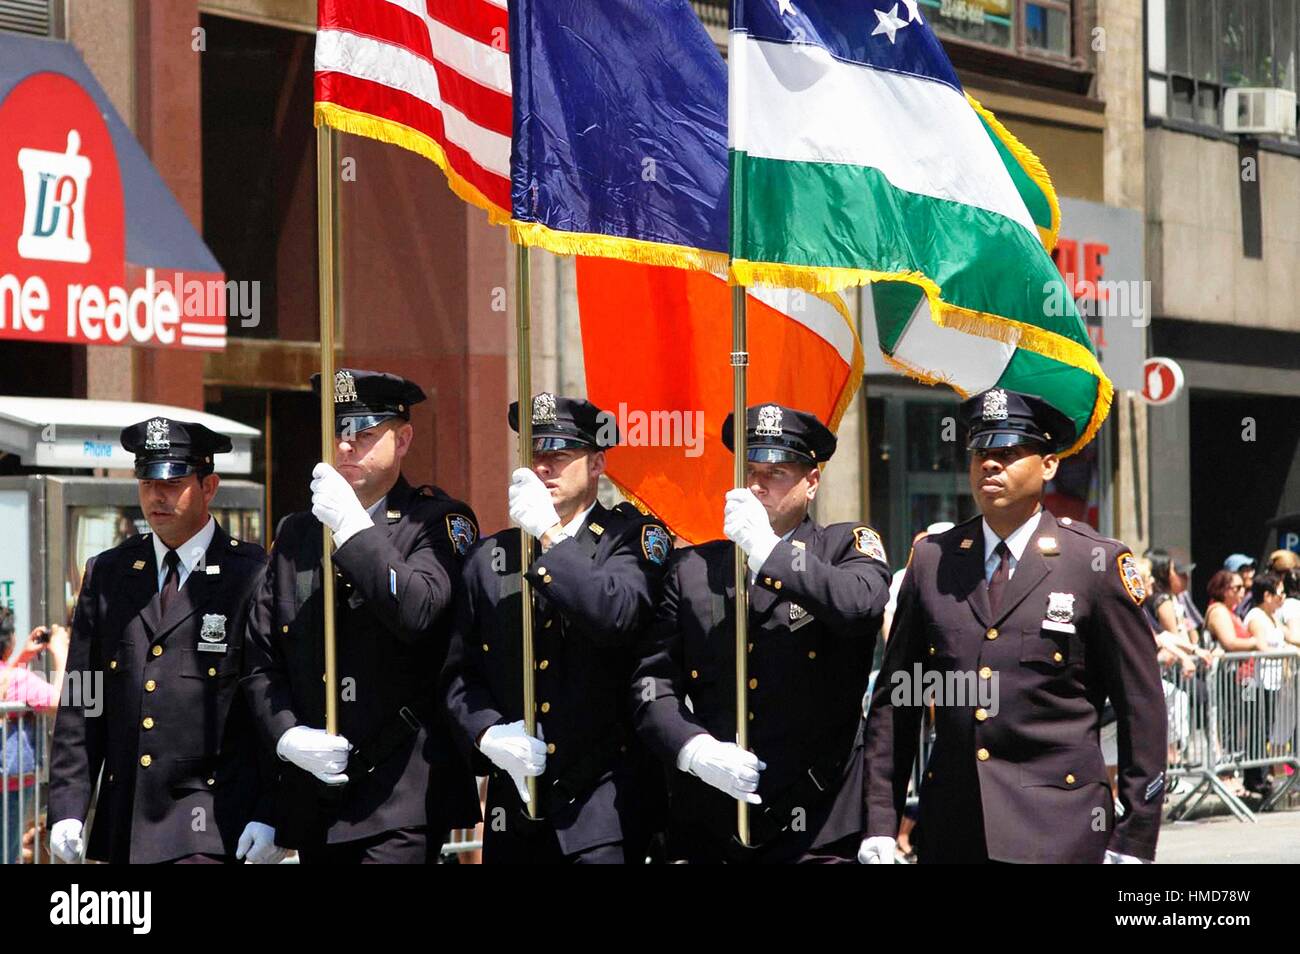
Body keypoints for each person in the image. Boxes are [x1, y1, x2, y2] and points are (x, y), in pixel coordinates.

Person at [861, 388, 1167, 864]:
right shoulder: (932, 560)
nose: (989, 465)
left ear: (1048, 465)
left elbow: (1141, 709)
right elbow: (898, 701)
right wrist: (880, 821)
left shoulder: (1093, 563)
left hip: (1060, 832)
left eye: (1007, 453)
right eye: (981, 453)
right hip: (954, 830)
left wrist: (1134, 839)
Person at [632, 403, 891, 863]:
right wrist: (692, 749)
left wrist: (769, 551)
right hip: (711, 821)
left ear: (812, 481)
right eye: (749, 470)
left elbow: (860, 605)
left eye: (775, 471)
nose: (757, 484)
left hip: (817, 823)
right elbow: (653, 684)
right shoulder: (693, 568)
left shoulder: (843, 547)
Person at [242, 369, 480, 863]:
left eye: (365, 435)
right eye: (339, 434)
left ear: (404, 438)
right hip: (318, 797)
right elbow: (262, 656)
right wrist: (286, 735)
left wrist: (352, 529)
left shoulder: (435, 522)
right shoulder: (297, 533)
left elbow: (417, 610)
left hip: (402, 796)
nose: (348, 447)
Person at [441, 393, 671, 864]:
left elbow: (617, 615)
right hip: (517, 808)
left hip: (604, 805)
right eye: (535, 455)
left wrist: (549, 534)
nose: (543, 467)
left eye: (559, 455)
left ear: (597, 464)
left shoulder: (633, 539)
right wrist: (487, 734)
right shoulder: (490, 558)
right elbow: (459, 672)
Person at [47, 418, 281, 864]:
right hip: (127, 818)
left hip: (210, 821)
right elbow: (85, 696)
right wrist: (68, 805)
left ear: (208, 486)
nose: (157, 496)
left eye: (173, 482)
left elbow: (268, 700)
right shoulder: (110, 573)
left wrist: (272, 810)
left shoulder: (250, 574)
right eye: (147, 481)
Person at [1, 612, 68, 864]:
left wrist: (22, 658)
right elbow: (63, 702)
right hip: (8, 790)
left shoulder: (12, 676)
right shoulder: (18, 680)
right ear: (8, 640)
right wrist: (61, 653)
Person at [1240, 571, 1299, 797]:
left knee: (1270, 730)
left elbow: (1290, 637)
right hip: (1257, 683)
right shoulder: (1255, 616)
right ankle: (1256, 780)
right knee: (1259, 730)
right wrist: (1285, 652)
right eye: (1279, 593)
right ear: (1267, 595)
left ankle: (1269, 777)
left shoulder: (1273, 616)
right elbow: (1262, 646)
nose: (1283, 597)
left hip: (1275, 683)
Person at [1225, 554, 1258, 620]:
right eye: (1246, 570)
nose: (1251, 573)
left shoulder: (1253, 597)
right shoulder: (1221, 600)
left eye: (1251, 569)